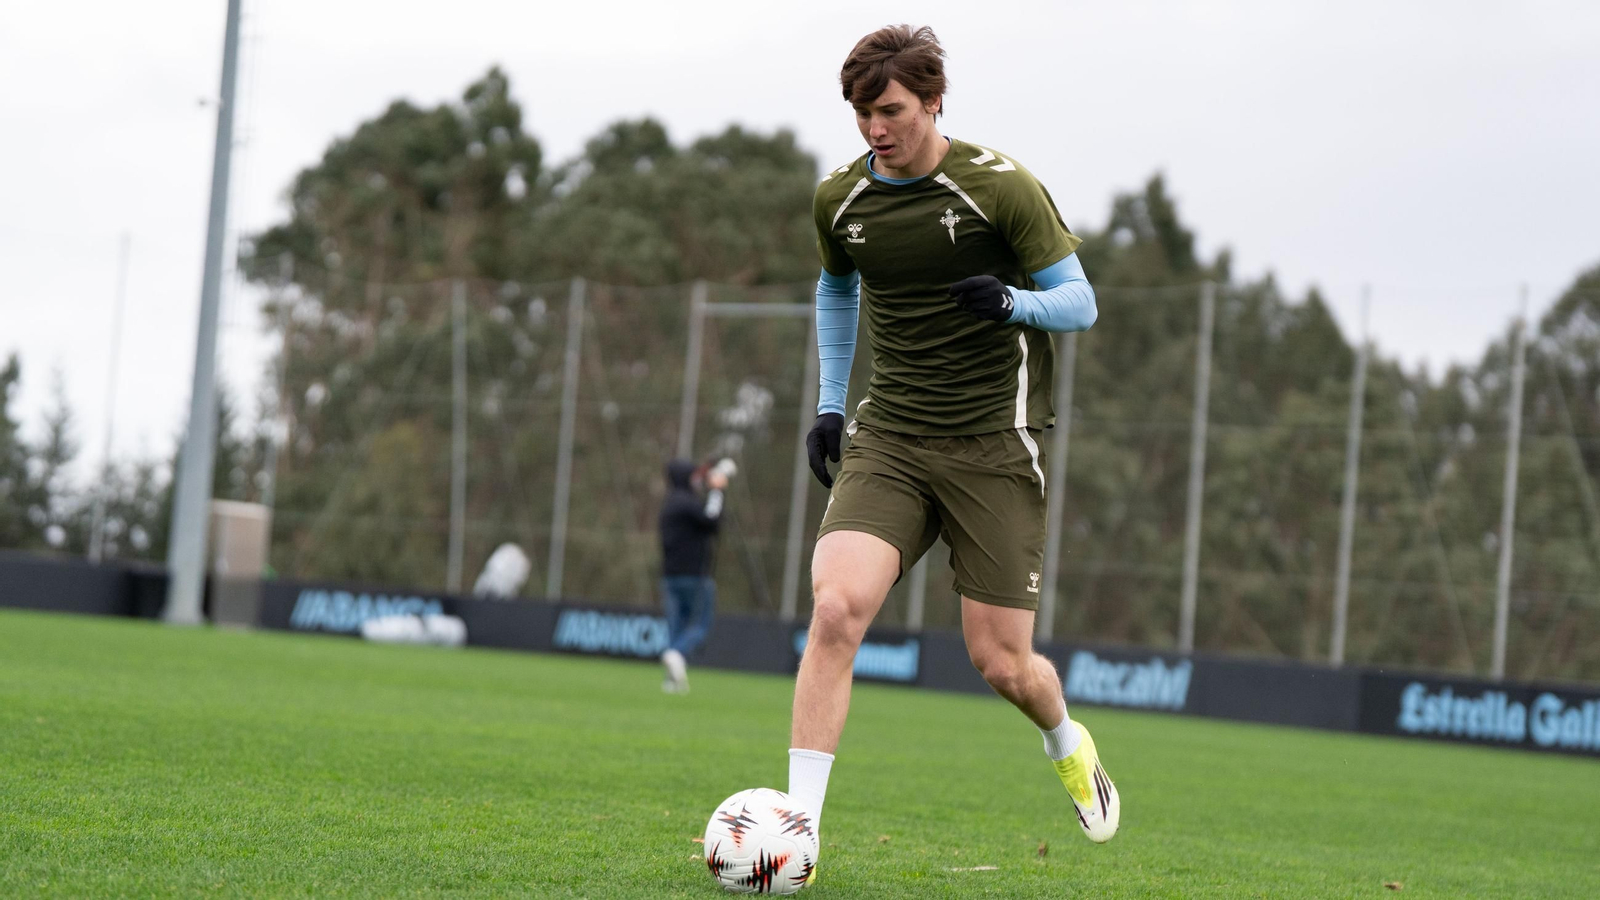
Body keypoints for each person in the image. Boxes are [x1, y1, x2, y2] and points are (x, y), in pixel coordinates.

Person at [786, 24, 1117, 858]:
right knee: (834, 611)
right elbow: (835, 288)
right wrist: (831, 403)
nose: (874, 129)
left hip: (995, 446)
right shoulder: (841, 199)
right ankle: (797, 831)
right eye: (861, 113)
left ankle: (1067, 746)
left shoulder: (1000, 189)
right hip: (891, 435)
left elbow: (1080, 303)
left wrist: (1013, 302)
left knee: (1002, 663)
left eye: (890, 110)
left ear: (934, 101)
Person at [657, 458, 730, 693]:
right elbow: (712, 521)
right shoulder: (687, 504)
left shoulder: (669, 504)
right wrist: (717, 492)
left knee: (676, 628)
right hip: (694, 575)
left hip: (670, 576)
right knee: (700, 624)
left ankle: (672, 680)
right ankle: (676, 655)